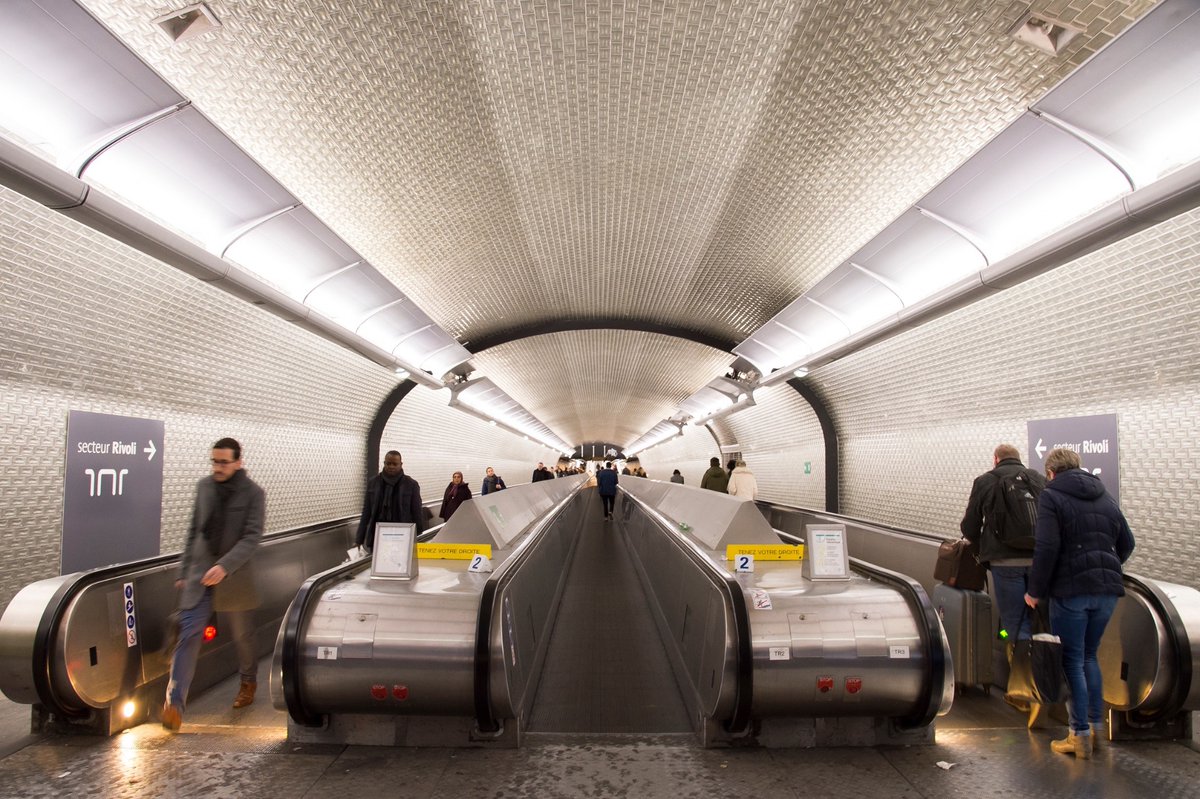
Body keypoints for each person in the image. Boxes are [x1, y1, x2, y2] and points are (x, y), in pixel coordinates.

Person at [1024, 448, 1135, 760]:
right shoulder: (1104, 495)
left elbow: (1046, 546)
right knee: (1089, 656)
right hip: (1107, 591)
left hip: (1071, 591)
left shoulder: (1052, 496)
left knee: (1071, 660)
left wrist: (1035, 590)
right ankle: (1097, 730)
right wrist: (1106, 569)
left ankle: (1079, 735)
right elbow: (1127, 542)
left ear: (1051, 473)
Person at [162, 438, 264, 732]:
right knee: (188, 634)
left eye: (223, 462)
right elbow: (194, 531)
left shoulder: (254, 494)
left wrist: (225, 566)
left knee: (242, 635)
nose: (217, 468)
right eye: (214, 462)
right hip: (199, 576)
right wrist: (184, 570)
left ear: (238, 463)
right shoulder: (204, 488)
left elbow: (252, 537)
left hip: (234, 576)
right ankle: (174, 704)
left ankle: (248, 681)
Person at [961, 444, 1046, 646]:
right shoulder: (1038, 479)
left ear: (996, 459)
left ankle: (1023, 675)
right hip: (1040, 561)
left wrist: (985, 548)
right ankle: (1045, 670)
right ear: (1019, 458)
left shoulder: (985, 481)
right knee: (1041, 621)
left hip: (1005, 562)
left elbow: (970, 526)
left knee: (1014, 624)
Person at [354, 450, 424, 552]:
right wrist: (359, 538)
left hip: (402, 535)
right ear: (384, 463)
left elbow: (417, 512)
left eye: (395, 464)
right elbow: (367, 512)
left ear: (401, 464)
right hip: (377, 536)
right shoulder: (374, 483)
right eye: (388, 463)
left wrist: (419, 536)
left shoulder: (411, 484)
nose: (391, 467)